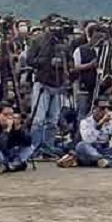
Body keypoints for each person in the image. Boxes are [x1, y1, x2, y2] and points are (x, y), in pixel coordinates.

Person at [25, 19, 71, 156]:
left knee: (53, 120)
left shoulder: (64, 42)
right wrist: (47, 61)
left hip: (58, 84)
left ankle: (48, 148)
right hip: (42, 83)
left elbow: (70, 62)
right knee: (38, 119)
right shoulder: (38, 41)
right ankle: (34, 148)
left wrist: (65, 66)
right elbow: (30, 60)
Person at [70, 99, 112, 168]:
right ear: (94, 109)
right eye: (102, 108)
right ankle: (111, 160)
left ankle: (107, 161)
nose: (105, 111)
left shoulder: (111, 121)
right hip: (92, 150)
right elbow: (88, 140)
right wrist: (100, 124)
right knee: (81, 145)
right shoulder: (85, 122)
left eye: (107, 109)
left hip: (106, 150)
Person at [0, 102, 35, 172]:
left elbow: (28, 142)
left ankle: (13, 164)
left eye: (11, 114)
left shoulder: (15, 124)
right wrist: (7, 130)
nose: (9, 117)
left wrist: (19, 130)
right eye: (5, 115)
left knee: (30, 148)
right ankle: (14, 165)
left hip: (11, 152)